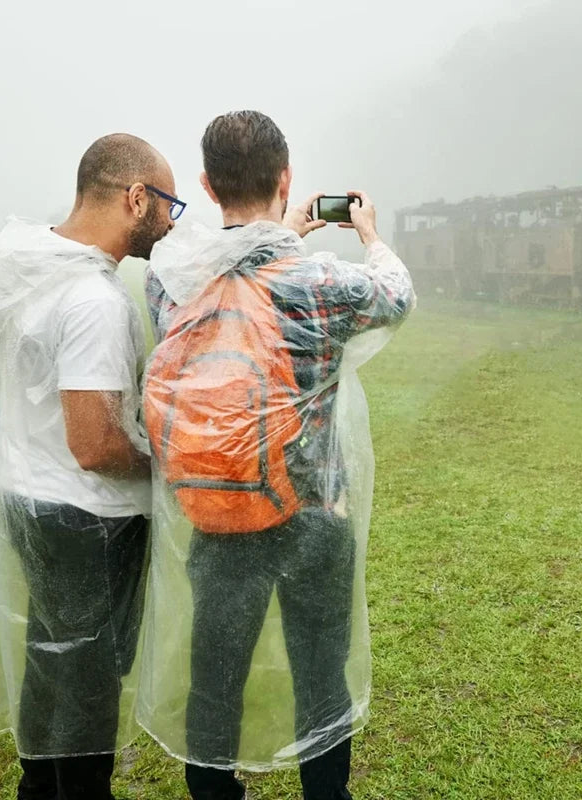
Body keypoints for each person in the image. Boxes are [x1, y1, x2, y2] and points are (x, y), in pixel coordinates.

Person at [138, 111, 415, 800]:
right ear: (286, 178)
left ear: (206, 185)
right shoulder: (322, 281)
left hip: (217, 506)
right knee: (322, 671)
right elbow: (397, 296)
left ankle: (214, 792)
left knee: (216, 671)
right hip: (314, 512)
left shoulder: (171, 281)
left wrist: (271, 236)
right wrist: (371, 235)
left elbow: (228, 286)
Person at [0, 133, 184, 800]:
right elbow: (94, 443)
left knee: (51, 652)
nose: (172, 224)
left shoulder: (32, 265)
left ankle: (38, 783)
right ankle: (79, 789)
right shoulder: (92, 298)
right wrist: (162, 467)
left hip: (26, 492)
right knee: (89, 671)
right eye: (167, 205)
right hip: (85, 514)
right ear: (135, 197)